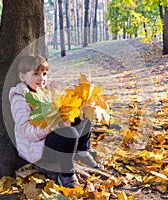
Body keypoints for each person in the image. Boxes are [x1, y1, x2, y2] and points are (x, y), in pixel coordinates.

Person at [9, 55, 103, 188]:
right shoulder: (20, 99)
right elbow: (27, 132)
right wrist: (54, 126)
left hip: (49, 139)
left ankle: (82, 151)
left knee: (82, 116)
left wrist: (58, 98)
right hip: (37, 149)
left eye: (44, 74)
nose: (41, 78)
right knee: (68, 132)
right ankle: (66, 174)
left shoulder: (44, 92)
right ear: (23, 77)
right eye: (35, 74)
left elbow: (57, 112)